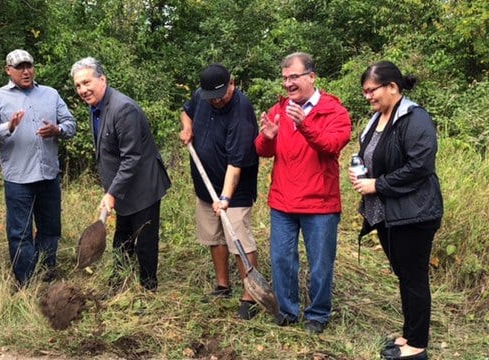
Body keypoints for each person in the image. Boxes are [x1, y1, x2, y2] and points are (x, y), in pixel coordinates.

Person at [351, 61, 442, 360]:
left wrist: (378, 184)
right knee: (404, 275)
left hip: (415, 214)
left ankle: (417, 346)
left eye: (371, 90)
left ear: (392, 87)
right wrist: (361, 173)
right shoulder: (378, 117)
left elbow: (420, 166)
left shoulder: (415, 118)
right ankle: (408, 334)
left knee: (414, 278)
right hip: (389, 215)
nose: (368, 96)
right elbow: (375, 156)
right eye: (364, 92)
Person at [255, 52, 351, 333]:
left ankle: (318, 315)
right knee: (282, 259)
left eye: (294, 77)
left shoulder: (334, 111)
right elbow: (261, 150)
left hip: (320, 204)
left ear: (311, 76)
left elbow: (333, 145)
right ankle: (286, 311)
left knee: (321, 264)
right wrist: (267, 137)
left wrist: (304, 125)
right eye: (285, 78)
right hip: (283, 201)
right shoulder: (279, 109)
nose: (288, 84)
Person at [0, 49, 76, 286]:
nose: (26, 71)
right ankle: (27, 282)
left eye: (29, 65)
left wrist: (58, 130)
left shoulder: (50, 94)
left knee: (50, 228)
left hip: (48, 175)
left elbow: (71, 124)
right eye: (19, 67)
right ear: (8, 70)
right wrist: (7, 127)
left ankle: (46, 275)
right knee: (20, 233)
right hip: (19, 179)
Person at [70, 57, 171, 292]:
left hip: (143, 185)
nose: (82, 90)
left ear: (102, 79)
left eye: (87, 82)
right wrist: (111, 189)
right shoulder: (95, 107)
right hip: (122, 185)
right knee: (122, 238)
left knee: (144, 239)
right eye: (78, 85)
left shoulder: (123, 109)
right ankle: (119, 283)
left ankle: (148, 288)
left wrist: (112, 192)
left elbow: (132, 157)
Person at [179, 64, 261, 320]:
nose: (216, 101)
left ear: (232, 85)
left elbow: (235, 165)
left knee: (239, 239)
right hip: (205, 186)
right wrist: (188, 127)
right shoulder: (202, 95)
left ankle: (251, 295)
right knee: (215, 237)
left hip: (234, 191)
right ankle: (222, 285)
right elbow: (185, 111)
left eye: (221, 95)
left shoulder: (241, 111)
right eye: (211, 97)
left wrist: (225, 197)